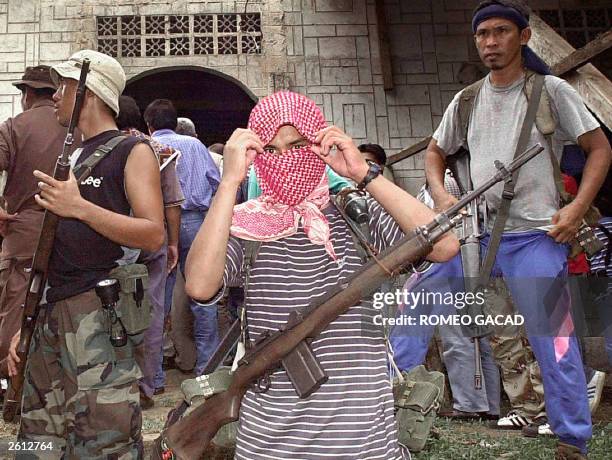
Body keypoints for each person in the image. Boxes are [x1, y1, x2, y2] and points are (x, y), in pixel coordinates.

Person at [184, 90, 458, 459]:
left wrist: (362, 173)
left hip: (364, 441)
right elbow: (200, 285)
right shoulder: (245, 226)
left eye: (297, 145)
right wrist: (230, 182)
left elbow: (443, 245)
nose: (285, 160)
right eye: (270, 151)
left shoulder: (357, 214)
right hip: (270, 443)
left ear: (319, 142)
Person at [425, 1, 611, 458]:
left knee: (555, 339)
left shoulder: (549, 90)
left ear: (523, 37)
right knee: (416, 307)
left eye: (501, 32)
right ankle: (392, 411)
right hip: (479, 239)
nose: (490, 42)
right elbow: (434, 151)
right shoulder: (465, 100)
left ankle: (571, 438)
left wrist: (577, 208)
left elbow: (599, 147)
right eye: (482, 34)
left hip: (536, 239)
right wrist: (443, 196)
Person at [7, 49, 165, 458]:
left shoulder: (132, 152)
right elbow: (50, 252)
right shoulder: (69, 157)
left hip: (97, 316)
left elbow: (153, 234)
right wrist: (28, 324)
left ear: (89, 93)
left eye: (64, 86)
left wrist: (80, 207)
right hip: (50, 315)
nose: (56, 96)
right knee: (37, 438)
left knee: (102, 441)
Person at [116, 95, 184, 408]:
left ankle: (117, 383)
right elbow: (171, 201)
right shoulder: (158, 150)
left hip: (114, 242)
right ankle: (148, 384)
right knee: (153, 311)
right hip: (152, 240)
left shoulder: (104, 148)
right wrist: (171, 241)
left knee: (113, 311)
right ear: (142, 122)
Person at [0, 66, 67, 382]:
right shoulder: (75, 127)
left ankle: (11, 381)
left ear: (27, 93)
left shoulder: (14, 127)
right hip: (72, 231)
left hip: (24, 233)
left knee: (16, 308)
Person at [144, 99, 221, 375]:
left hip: (157, 225)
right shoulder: (196, 146)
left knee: (157, 297)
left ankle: (155, 375)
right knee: (204, 294)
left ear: (149, 124)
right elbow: (217, 184)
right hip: (197, 222)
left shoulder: (146, 147)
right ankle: (207, 365)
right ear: (175, 123)